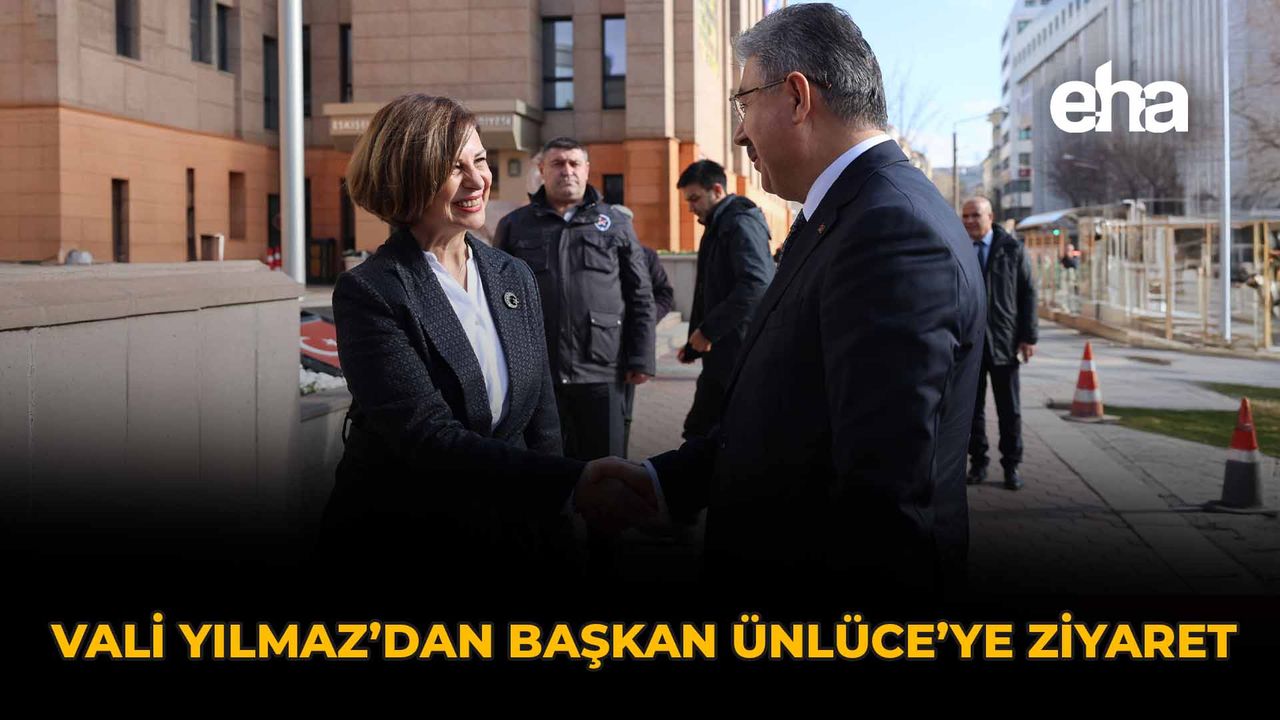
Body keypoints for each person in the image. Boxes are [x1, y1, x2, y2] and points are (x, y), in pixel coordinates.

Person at [588, 3, 986, 598]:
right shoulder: (850, 212)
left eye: (743, 104)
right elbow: (788, 416)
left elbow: (886, 508)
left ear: (798, 98)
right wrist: (662, 482)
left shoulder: (890, 231)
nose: (740, 132)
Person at [319, 95, 654, 588]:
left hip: (509, 539)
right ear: (407, 176)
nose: (477, 180)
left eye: (480, 160)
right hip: (406, 542)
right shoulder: (371, 291)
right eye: (453, 168)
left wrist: (560, 531)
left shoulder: (511, 273)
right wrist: (571, 482)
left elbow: (541, 420)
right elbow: (426, 438)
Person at [494, 137, 657, 461]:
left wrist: (641, 358)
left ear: (586, 170)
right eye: (557, 164)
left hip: (602, 370)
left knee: (607, 467)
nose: (566, 171)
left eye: (574, 163)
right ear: (542, 170)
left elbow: (640, 293)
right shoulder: (514, 225)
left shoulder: (616, 223)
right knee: (547, 469)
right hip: (539, 372)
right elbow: (497, 299)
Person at [675, 159, 774, 440]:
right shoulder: (719, 224)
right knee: (703, 434)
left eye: (694, 198)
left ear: (717, 190)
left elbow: (756, 284)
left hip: (739, 353)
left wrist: (708, 331)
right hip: (724, 351)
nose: (690, 207)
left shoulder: (740, 222)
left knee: (710, 435)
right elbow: (712, 289)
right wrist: (695, 343)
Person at [961, 197, 1037, 491]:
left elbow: (1028, 293)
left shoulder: (1012, 248)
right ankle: (978, 463)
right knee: (972, 409)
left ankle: (1011, 466)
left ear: (990, 217)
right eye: (966, 216)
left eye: (975, 215)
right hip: (970, 344)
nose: (970, 221)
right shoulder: (958, 247)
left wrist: (1028, 337)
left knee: (1009, 410)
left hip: (1005, 343)